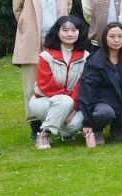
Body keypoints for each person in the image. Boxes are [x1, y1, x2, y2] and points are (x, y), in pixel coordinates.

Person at [12, 0, 74, 137]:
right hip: (32, 37)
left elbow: (68, 5)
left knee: (59, 78)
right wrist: (27, 26)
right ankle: (34, 123)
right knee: (31, 82)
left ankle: (59, 119)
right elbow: (17, 8)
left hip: (57, 38)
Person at [31, 16, 90, 149]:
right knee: (65, 102)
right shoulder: (46, 55)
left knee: (76, 123)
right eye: (65, 30)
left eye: (74, 30)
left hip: (71, 103)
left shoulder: (85, 56)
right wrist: (69, 101)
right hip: (43, 101)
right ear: (57, 32)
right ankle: (44, 135)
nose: (70, 34)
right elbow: (46, 84)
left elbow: (82, 84)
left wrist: (74, 107)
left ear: (80, 32)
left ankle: (64, 132)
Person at [77, 22, 122, 144]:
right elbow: (87, 91)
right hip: (102, 103)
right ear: (105, 38)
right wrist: (88, 122)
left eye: (120, 36)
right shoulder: (95, 60)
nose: (116, 40)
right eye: (112, 36)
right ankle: (97, 129)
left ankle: (117, 128)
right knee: (104, 113)